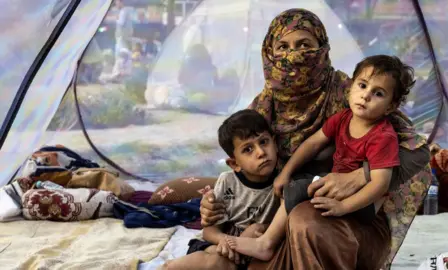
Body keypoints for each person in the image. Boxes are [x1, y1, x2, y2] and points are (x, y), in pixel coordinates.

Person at [200, 8, 432, 270]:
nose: (293, 55)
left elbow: (420, 152)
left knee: (304, 220)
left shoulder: (350, 93)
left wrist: (360, 175)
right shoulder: (262, 110)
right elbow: (247, 173)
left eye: (304, 45)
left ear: (322, 48)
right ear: (269, 53)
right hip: (279, 219)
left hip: (350, 218)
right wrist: (213, 207)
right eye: (283, 46)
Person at [224, 55, 415, 261]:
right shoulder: (343, 118)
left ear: (390, 107)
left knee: (297, 188)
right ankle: (271, 236)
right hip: (339, 186)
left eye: (378, 93)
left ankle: (266, 243)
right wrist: (286, 173)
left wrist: (344, 207)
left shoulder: (382, 136)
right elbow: (312, 144)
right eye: (362, 85)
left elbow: (379, 185)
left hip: (364, 203)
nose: (366, 96)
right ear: (351, 87)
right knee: (298, 179)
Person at [163, 109, 280, 270]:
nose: (261, 152)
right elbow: (209, 231)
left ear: (275, 143)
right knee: (216, 261)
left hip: (251, 252)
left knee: (254, 231)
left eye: (264, 142)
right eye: (248, 149)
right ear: (235, 164)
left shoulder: (282, 182)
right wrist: (224, 241)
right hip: (219, 245)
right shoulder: (227, 182)